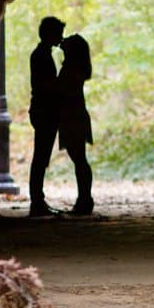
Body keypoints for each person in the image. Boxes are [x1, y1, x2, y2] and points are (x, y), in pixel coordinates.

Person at [28, 16, 65, 217]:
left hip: (42, 110)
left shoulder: (42, 54)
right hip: (44, 111)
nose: (61, 37)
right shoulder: (41, 56)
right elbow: (45, 85)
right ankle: (37, 201)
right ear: (49, 34)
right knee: (40, 157)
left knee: (41, 157)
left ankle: (38, 200)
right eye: (58, 33)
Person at [57, 34, 95, 215]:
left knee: (79, 160)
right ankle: (84, 199)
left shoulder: (72, 69)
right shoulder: (76, 67)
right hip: (75, 116)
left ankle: (85, 200)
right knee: (80, 160)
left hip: (73, 117)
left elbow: (66, 91)